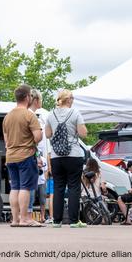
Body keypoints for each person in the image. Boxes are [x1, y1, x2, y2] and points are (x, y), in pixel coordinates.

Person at [45, 89, 88, 228]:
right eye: (72, 98)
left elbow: (47, 134)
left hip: (57, 156)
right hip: (73, 154)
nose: (73, 100)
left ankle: (56, 221)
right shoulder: (75, 113)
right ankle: (74, 221)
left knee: (58, 187)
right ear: (68, 99)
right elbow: (83, 133)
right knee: (74, 187)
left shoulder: (51, 114)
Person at [2, 84, 43, 227]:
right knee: (25, 187)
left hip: (11, 156)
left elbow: (6, 141)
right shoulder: (29, 115)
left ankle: (15, 219)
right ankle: (25, 218)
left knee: (15, 188)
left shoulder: (7, 117)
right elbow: (38, 137)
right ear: (27, 97)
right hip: (25, 155)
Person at [29, 89, 51, 223]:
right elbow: (36, 140)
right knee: (29, 188)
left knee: (38, 191)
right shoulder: (32, 117)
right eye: (40, 99)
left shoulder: (37, 117)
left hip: (36, 158)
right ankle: (28, 216)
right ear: (36, 100)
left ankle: (32, 216)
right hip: (33, 157)